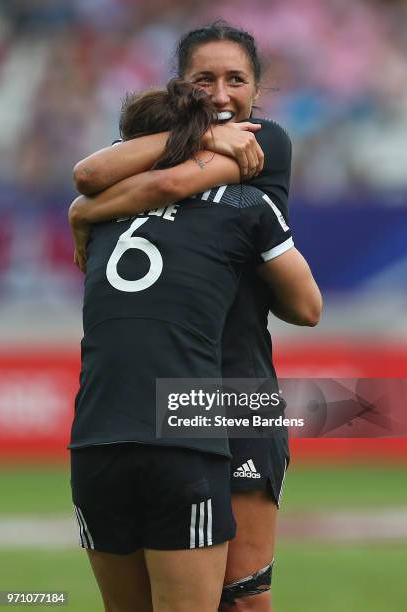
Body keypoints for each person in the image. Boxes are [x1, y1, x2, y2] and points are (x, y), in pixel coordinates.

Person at [70, 22, 320, 611]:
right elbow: (93, 177)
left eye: (237, 80)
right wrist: (84, 207)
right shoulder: (166, 142)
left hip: (235, 381)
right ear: (180, 86)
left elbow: (168, 181)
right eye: (203, 79)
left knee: (242, 597)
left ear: (257, 91)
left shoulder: (267, 140)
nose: (222, 93)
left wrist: (85, 211)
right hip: (174, 375)